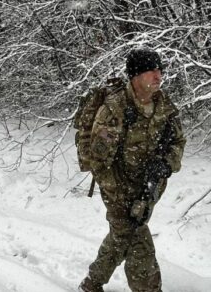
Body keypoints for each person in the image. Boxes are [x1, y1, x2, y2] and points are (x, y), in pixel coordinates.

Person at [78, 48, 186, 292]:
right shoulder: (115, 109)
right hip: (116, 187)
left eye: (160, 71)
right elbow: (98, 160)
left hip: (149, 186)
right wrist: (121, 197)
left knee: (121, 236)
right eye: (152, 71)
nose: (159, 76)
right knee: (137, 238)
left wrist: (166, 163)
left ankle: (92, 282)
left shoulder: (164, 106)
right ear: (136, 76)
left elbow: (178, 143)